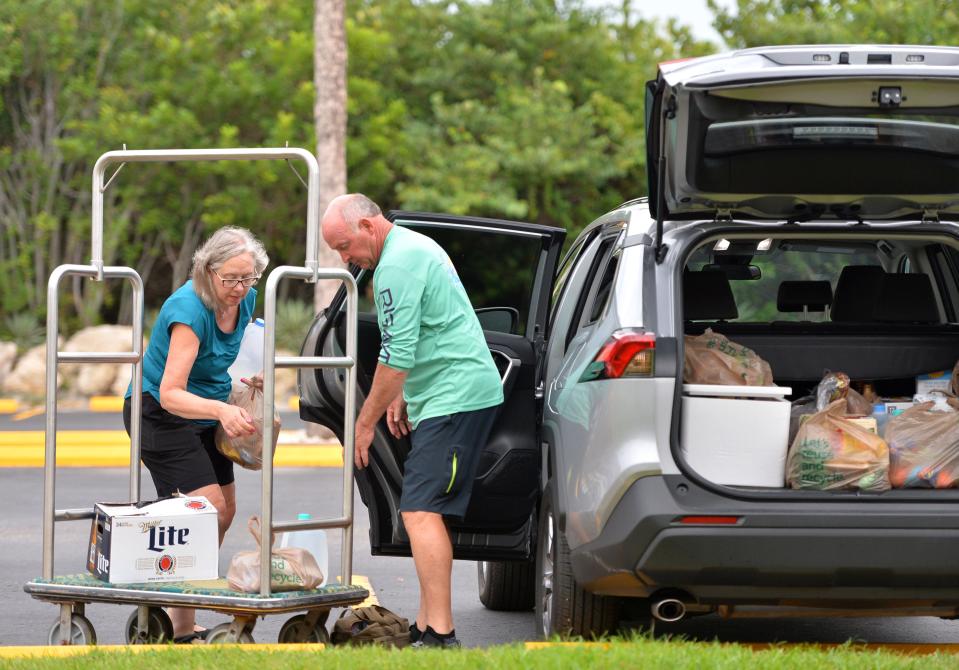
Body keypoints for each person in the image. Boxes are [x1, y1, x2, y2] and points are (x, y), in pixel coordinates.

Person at [321, 194, 503, 648]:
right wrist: (401, 391)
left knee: (421, 511)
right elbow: (424, 329)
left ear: (366, 225)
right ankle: (425, 625)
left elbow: (396, 352)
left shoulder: (397, 266)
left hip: (455, 396)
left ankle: (441, 635)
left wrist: (365, 422)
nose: (345, 258)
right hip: (446, 392)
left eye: (344, 246)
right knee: (422, 510)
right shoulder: (410, 248)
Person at [122, 226, 268, 643]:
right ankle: (181, 626)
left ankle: (176, 599)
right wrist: (222, 409)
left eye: (249, 277)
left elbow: (226, 352)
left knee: (223, 512)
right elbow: (170, 392)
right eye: (232, 279)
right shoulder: (188, 308)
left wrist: (248, 379)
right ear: (207, 270)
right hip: (159, 412)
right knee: (204, 512)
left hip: (206, 411)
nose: (240, 288)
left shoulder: (245, 298)